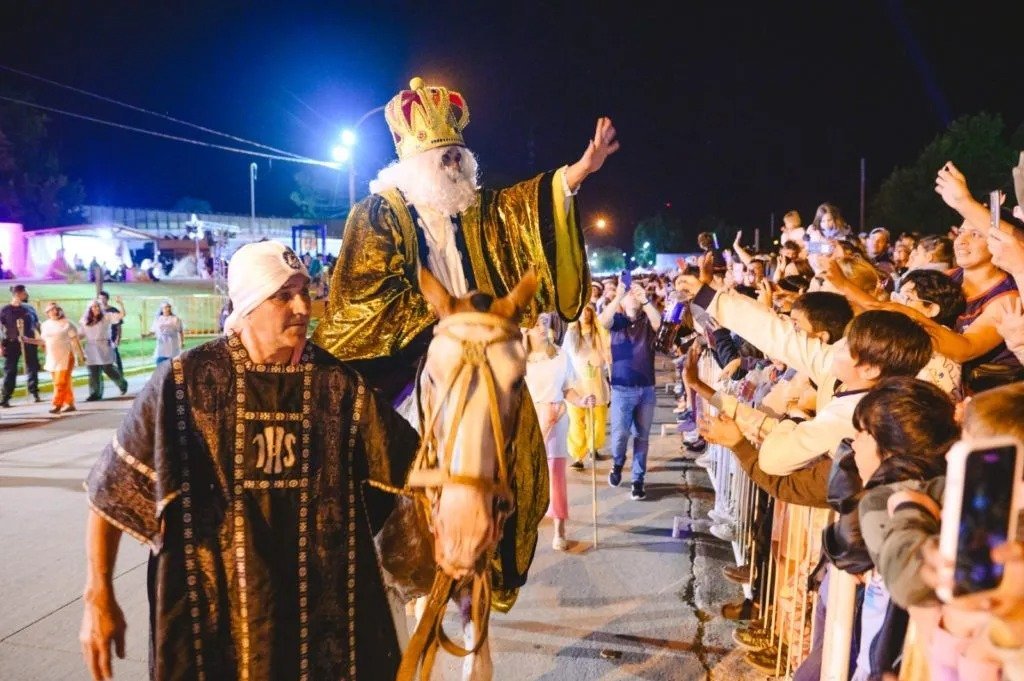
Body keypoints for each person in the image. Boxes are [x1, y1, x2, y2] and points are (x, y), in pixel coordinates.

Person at [312, 76, 617, 608]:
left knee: (512, 435)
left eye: (457, 154)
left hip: (478, 346)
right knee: (360, 449)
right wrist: (444, 322)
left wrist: (579, 172)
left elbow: (528, 209)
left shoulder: (477, 210)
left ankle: (492, 557)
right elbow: (365, 296)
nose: (453, 164)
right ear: (413, 161)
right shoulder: (380, 212)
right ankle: (372, 553)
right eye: (441, 156)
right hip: (410, 355)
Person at [79, 241, 420, 681]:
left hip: (320, 630)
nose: (302, 306)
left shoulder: (336, 385)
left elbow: (411, 465)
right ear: (250, 304)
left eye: (305, 290)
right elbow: (113, 488)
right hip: (216, 623)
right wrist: (98, 595)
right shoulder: (184, 386)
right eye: (284, 294)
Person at [599, 279, 662, 500]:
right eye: (630, 294)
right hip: (621, 388)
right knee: (620, 435)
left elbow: (658, 322)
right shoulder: (617, 320)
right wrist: (618, 295)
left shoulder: (647, 319)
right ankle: (617, 464)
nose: (632, 296)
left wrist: (645, 300)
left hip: (646, 388)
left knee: (642, 437)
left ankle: (638, 480)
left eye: (635, 293)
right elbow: (602, 321)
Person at [524, 312, 578, 551]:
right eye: (535, 324)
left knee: (555, 475)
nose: (541, 328)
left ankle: (559, 529)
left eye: (544, 323)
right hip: (527, 420)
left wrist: (582, 400)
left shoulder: (561, 356)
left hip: (556, 418)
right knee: (527, 475)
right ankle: (526, 523)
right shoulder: (518, 359)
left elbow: (568, 389)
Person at [563, 305, 611, 471]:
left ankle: (594, 447)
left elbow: (607, 354)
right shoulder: (570, 335)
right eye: (581, 311)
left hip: (596, 383)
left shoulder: (599, 334)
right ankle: (578, 456)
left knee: (598, 420)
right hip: (577, 385)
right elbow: (564, 358)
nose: (585, 315)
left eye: (588, 311)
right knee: (576, 422)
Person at [30, 303, 83, 413]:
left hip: (66, 356)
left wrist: (82, 355)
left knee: (60, 382)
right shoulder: (45, 325)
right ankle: (69, 403)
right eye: (52, 310)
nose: (55, 311)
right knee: (64, 382)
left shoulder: (68, 324)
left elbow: (75, 340)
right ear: (47, 313)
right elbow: (43, 341)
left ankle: (57, 404)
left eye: (57, 309)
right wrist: (27, 340)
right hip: (52, 357)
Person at [78, 298, 128, 401]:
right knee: (93, 371)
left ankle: (122, 383)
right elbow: (81, 334)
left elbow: (122, 315)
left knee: (108, 368)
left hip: (104, 345)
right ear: (89, 309)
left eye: (97, 306)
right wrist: (72, 338)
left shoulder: (107, 316)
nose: (95, 308)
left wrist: (121, 303)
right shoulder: (85, 320)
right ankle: (95, 393)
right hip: (91, 347)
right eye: (93, 307)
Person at [1, 284, 41, 407]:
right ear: (18, 294)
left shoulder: (29, 308)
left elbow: (37, 325)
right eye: (25, 293)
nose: (27, 295)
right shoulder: (5, 310)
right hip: (12, 342)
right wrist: (1, 346)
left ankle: (34, 392)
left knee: (32, 367)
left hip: (29, 341)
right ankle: (6, 397)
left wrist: (41, 339)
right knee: (10, 370)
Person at [97, 291, 124, 377]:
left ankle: (120, 374)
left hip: (111, 337)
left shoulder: (112, 310)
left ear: (107, 299)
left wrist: (118, 338)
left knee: (115, 355)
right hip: (100, 339)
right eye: (100, 298)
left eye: (103, 298)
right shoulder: (96, 311)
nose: (101, 300)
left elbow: (119, 325)